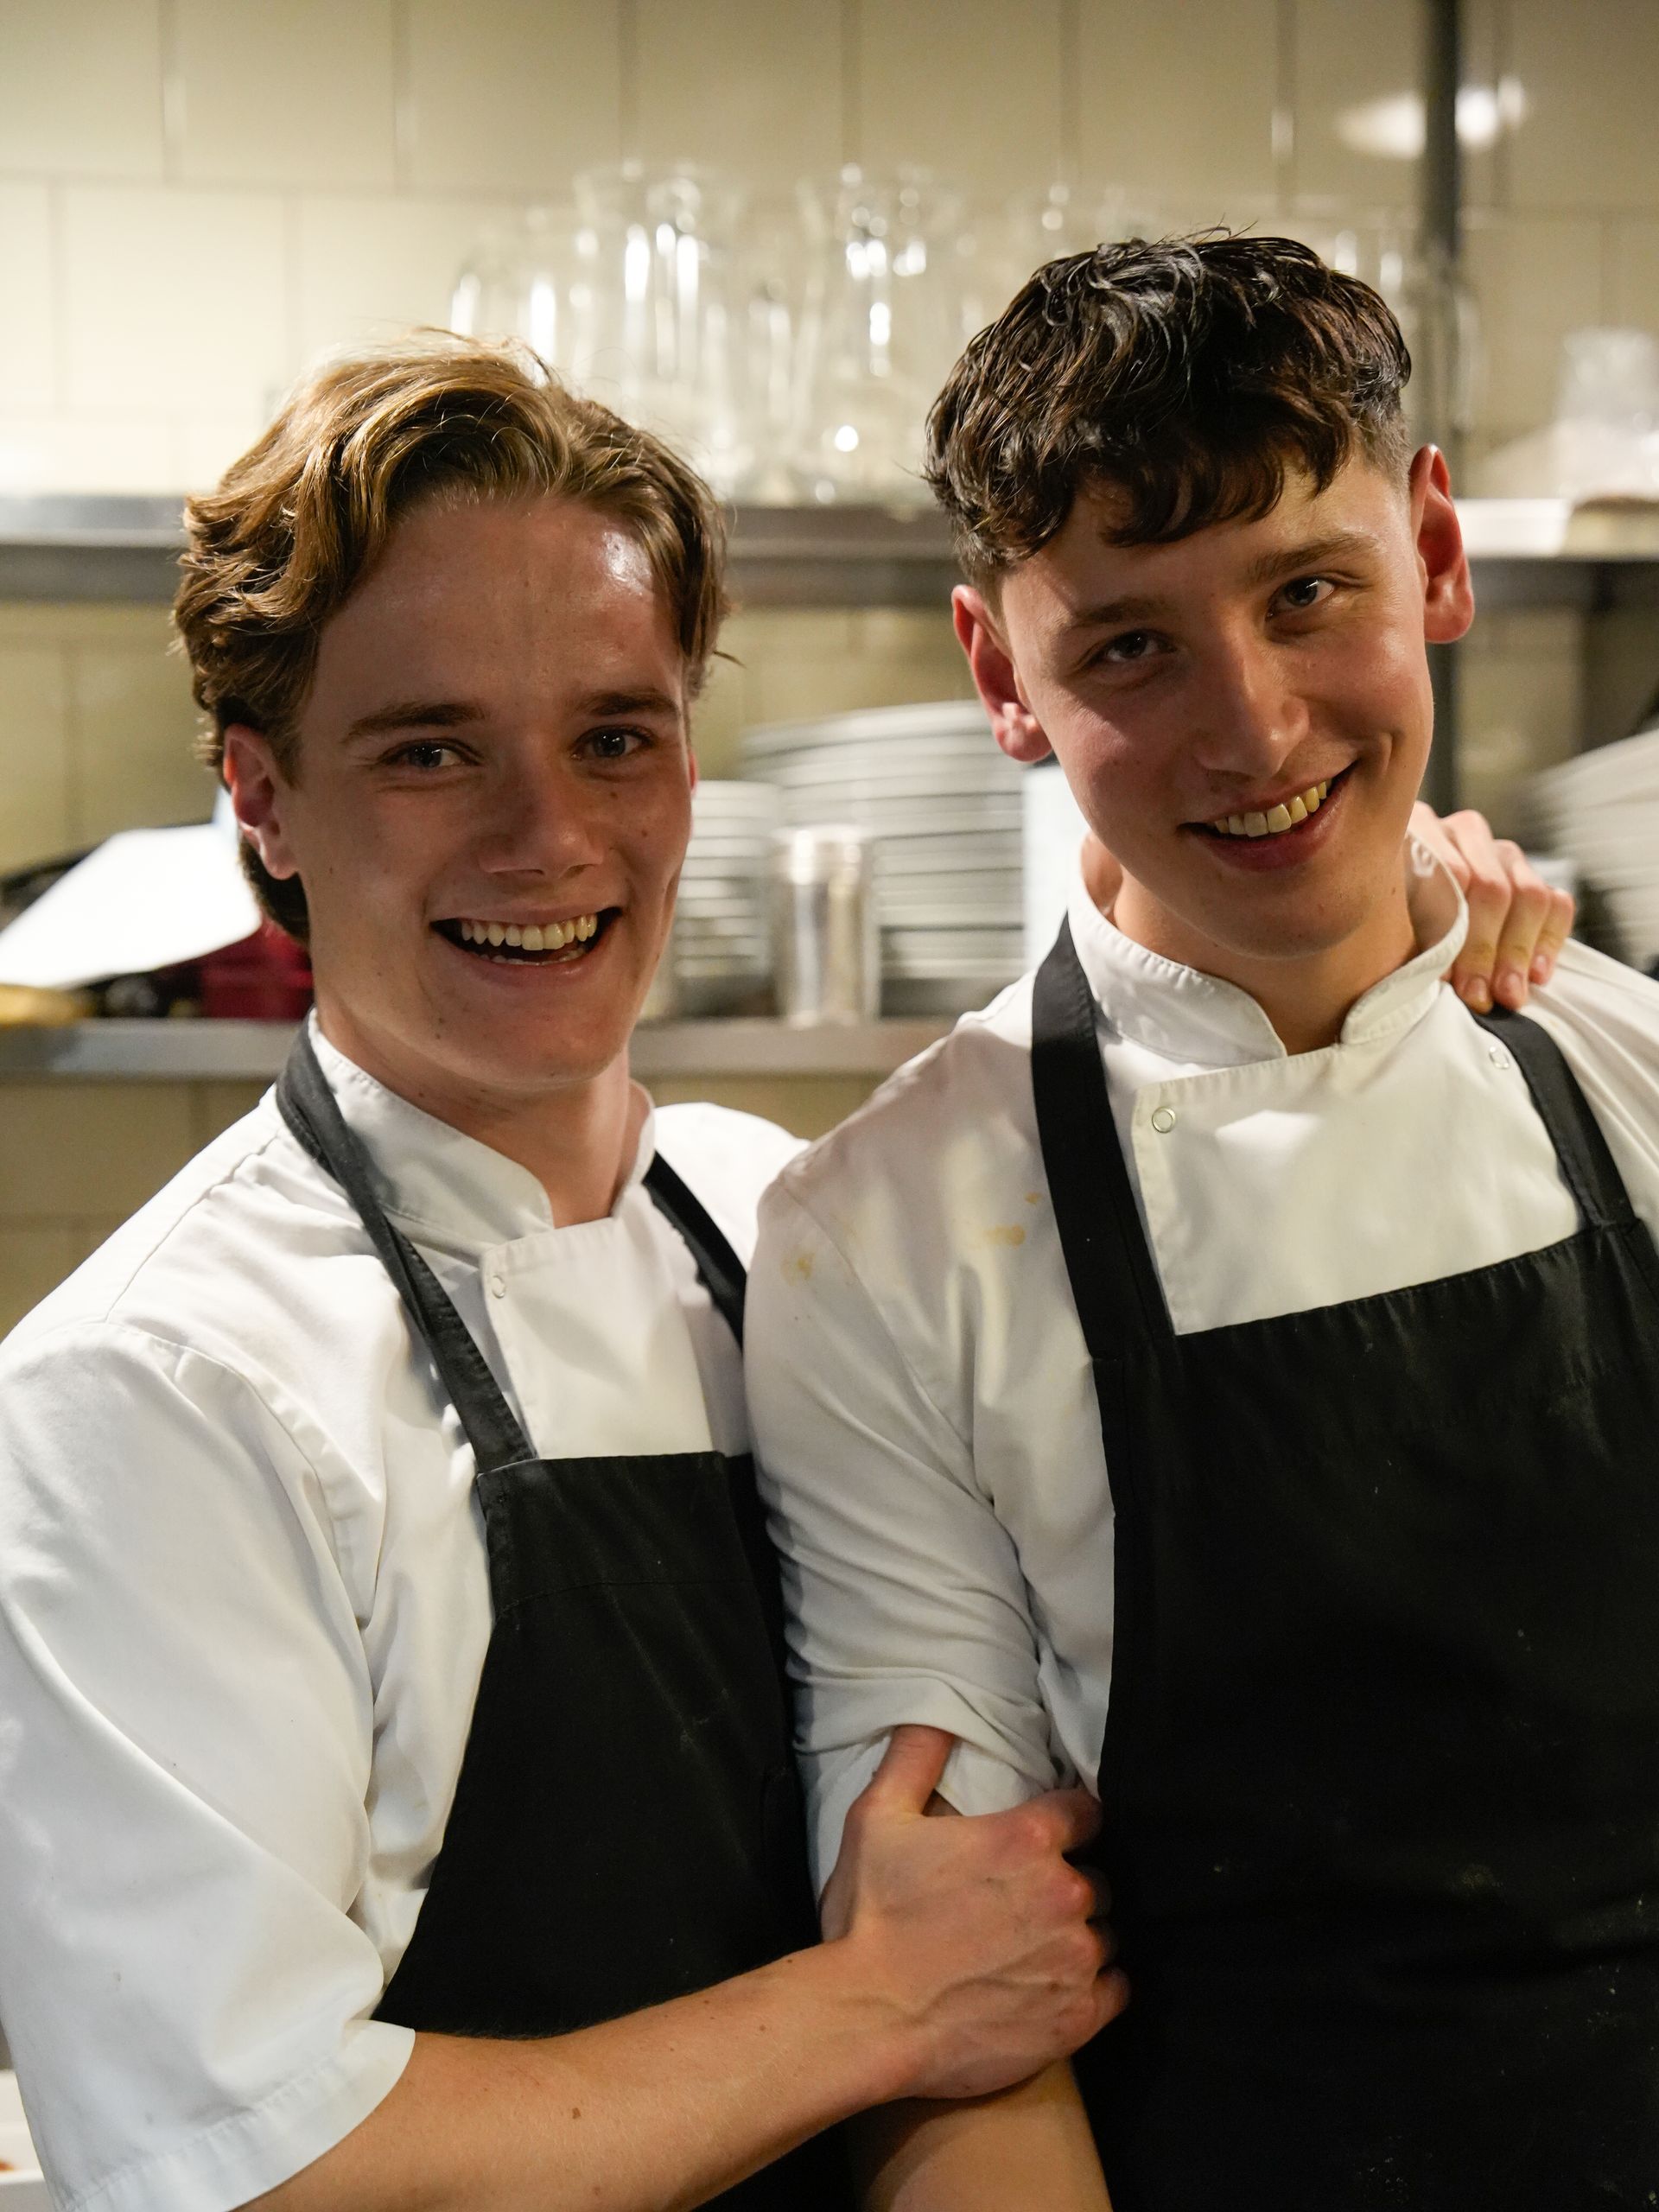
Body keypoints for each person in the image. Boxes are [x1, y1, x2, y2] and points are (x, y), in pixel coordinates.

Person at [0, 329, 1548, 2212]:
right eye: (428, 751)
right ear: (262, 795)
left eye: (615, 736)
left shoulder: (788, 1217)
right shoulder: (154, 1389)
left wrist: (1411, 915)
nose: (551, 834)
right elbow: (247, 2168)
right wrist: (874, 2010)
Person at [746, 234, 1659, 2212]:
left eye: (1308, 591)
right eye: (1131, 646)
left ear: (1436, 551)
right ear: (1001, 674)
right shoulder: (881, 1238)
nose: (1251, 732)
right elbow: (962, 1998)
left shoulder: (1632, 1074)